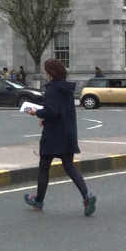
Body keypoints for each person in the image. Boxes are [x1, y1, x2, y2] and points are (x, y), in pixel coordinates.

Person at [24, 58, 96, 216]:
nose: (45, 74)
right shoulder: (66, 89)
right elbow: (61, 111)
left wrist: (36, 112)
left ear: (50, 72)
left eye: (46, 70)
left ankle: (39, 200)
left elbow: (52, 111)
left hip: (53, 134)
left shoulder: (52, 89)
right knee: (69, 166)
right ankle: (86, 195)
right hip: (68, 132)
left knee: (44, 167)